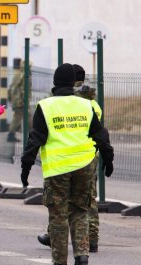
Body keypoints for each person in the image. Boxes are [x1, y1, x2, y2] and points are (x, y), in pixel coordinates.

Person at [20, 63, 114, 265]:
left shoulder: (45, 106)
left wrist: (25, 168)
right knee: (80, 210)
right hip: (84, 166)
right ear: (73, 83)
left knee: (58, 215)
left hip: (57, 169)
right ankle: (82, 256)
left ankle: (60, 263)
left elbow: (35, 139)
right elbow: (101, 135)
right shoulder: (85, 105)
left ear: (54, 82)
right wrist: (108, 159)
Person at [36, 64, 103, 253]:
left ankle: (56, 238)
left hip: (64, 158)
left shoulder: (68, 101)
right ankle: (91, 238)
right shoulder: (91, 102)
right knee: (87, 201)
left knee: (60, 204)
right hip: (89, 155)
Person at [7, 62, 32, 142]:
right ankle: (32, 136)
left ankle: (11, 135)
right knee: (27, 118)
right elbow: (24, 90)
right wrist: (25, 100)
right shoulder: (24, 76)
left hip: (16, 101)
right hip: (21, 101)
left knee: (17, 118)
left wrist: (12, 100)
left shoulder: (17, 75)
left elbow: (11, 88)